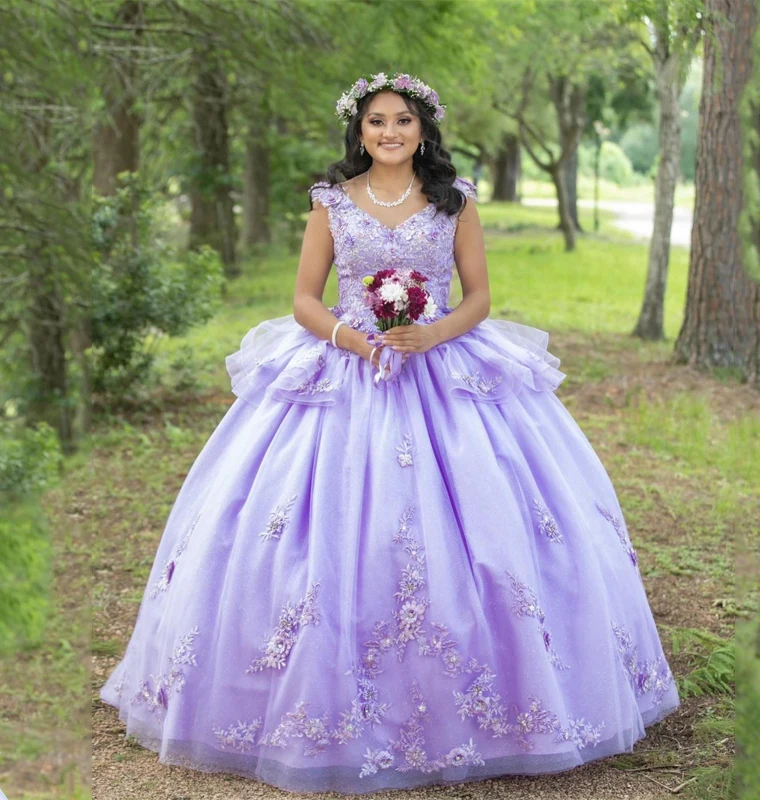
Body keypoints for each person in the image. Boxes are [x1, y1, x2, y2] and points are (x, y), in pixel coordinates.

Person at [99, 71, 680, 795]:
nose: (389, 133)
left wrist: (430, 332)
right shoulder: (332, 203)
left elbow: (481, 298)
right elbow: (305, 299)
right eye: (376, 122)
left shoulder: (454, 201)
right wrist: (356, 341)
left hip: (440, 366)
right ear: (360, 132)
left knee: (490, 533)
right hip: (349, 366)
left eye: (402, 121)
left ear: (423, 130)